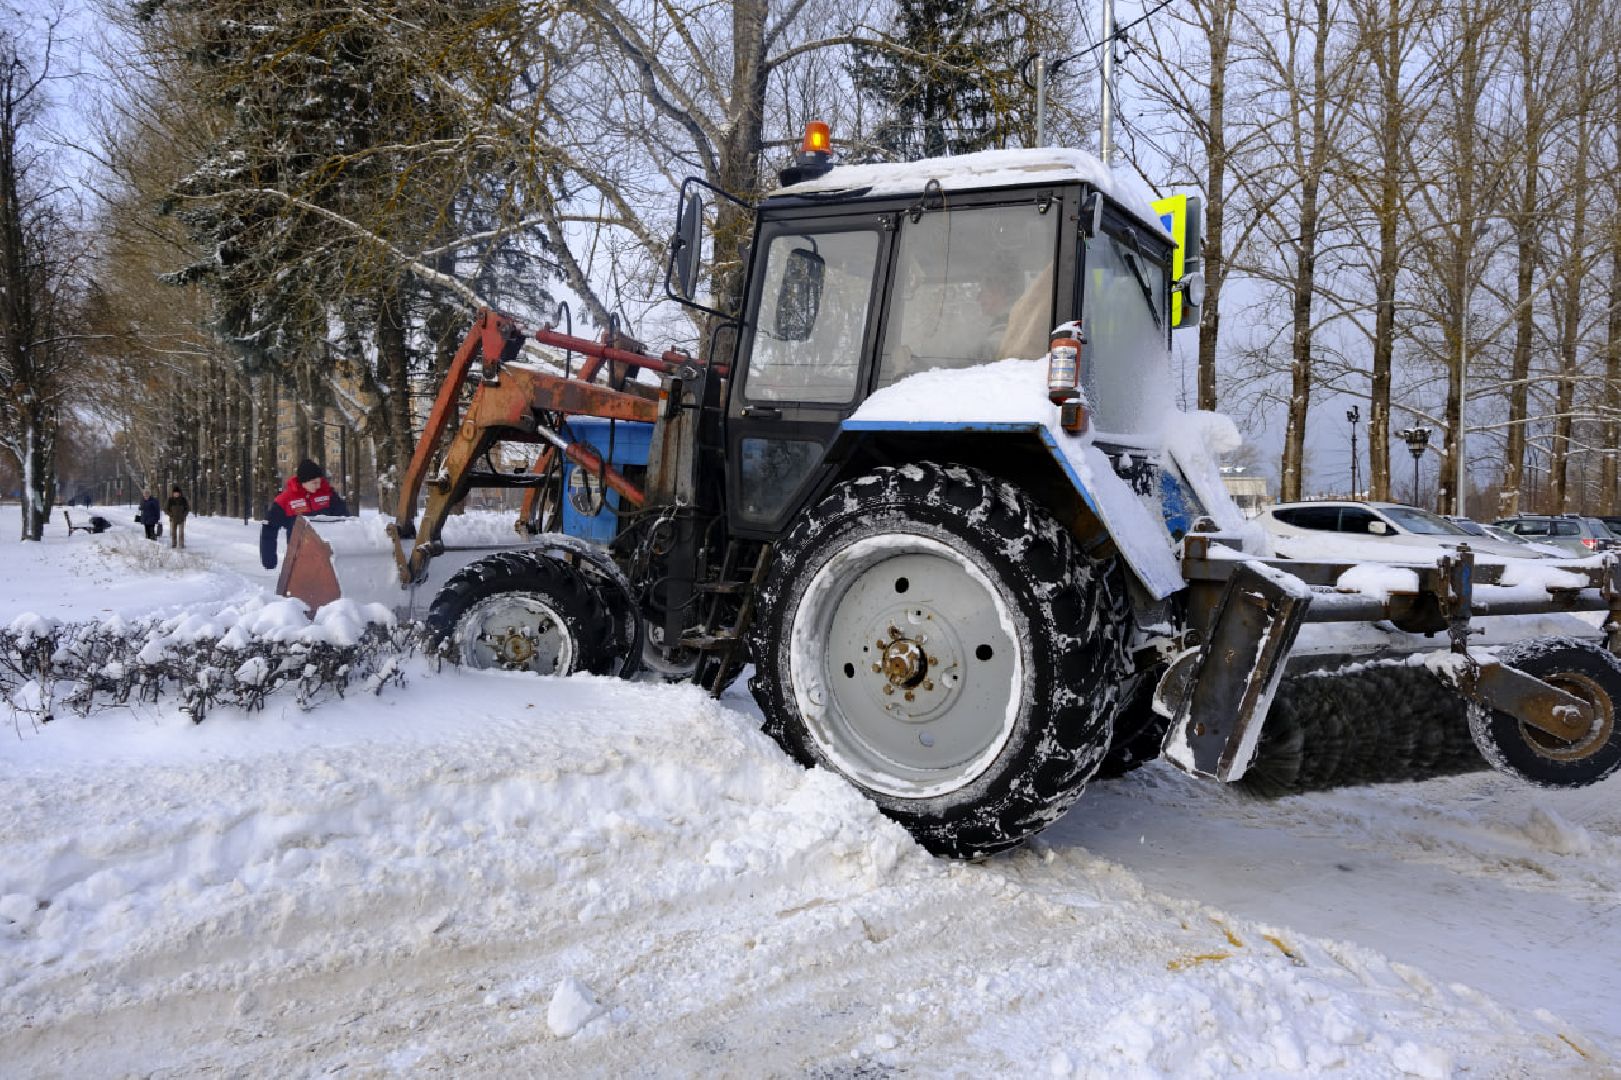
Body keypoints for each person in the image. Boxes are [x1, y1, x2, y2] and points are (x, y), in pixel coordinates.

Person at [260, 458, 348, 570]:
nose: (318, 486)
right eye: (314, 483)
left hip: (328, 556)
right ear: (303, 482)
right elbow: (269, 527)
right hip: (299, 558)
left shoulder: (328, 495)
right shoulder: (286, 500)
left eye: (319, 481)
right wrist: (269, 559)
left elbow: (345, 521)